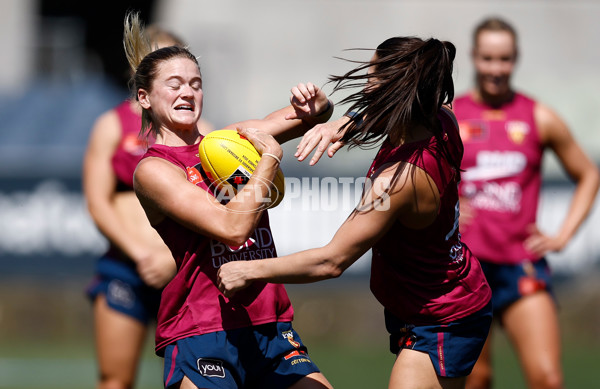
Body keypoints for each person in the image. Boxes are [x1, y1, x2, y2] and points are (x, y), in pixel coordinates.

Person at [218, 36, 493, 389]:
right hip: (429, 302)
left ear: (396, 91)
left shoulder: (397, 183)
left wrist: (250, 270)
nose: (365, 88)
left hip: (442, 316)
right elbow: (373, 111)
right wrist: (341, 122)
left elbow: (331, 261)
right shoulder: (442, 120)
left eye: (372, 80)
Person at [122, 11, 334, 389]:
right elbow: (231, 228)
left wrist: (317, 103)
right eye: (173, 85)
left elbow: (308, 116)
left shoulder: (225, 143)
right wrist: (268, 161)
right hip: (203, 329)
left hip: (270, 325)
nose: (187, 92)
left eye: (195, 84)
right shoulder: (154, 170)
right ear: (144, 97)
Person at [452, 17, 600, 389]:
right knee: (477, 379)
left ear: (515, 59)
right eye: (487, 58)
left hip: (521, 266)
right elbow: (419, 173)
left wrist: (562, 236)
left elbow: (589, 175)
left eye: (504, 59)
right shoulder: (451, 114)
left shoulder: (539, 117)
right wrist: (448, 203)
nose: (496, 69)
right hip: (467, 267)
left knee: (548, 379)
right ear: (473, 58)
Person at [82, 24, 214, 389]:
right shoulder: (111, 125)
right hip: (125, 270)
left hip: (187, 275)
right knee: (115, 379)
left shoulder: (206, 133)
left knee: (188, 378)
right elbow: (98, 202)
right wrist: (142, 254)